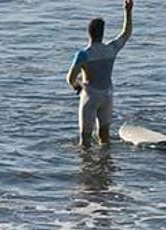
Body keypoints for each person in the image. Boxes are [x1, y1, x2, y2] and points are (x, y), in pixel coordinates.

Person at [66, 0, 133, 147]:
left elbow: (70, 79)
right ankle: (106, 165)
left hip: (90, 96)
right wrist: (128, 12)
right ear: (103, 33)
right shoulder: (111, 49)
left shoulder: (83, 55)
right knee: (104, 136)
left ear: (88, 32)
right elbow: (126, 34)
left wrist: (77, 86)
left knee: (85, 140)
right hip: (107, 95)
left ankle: (88, 168)